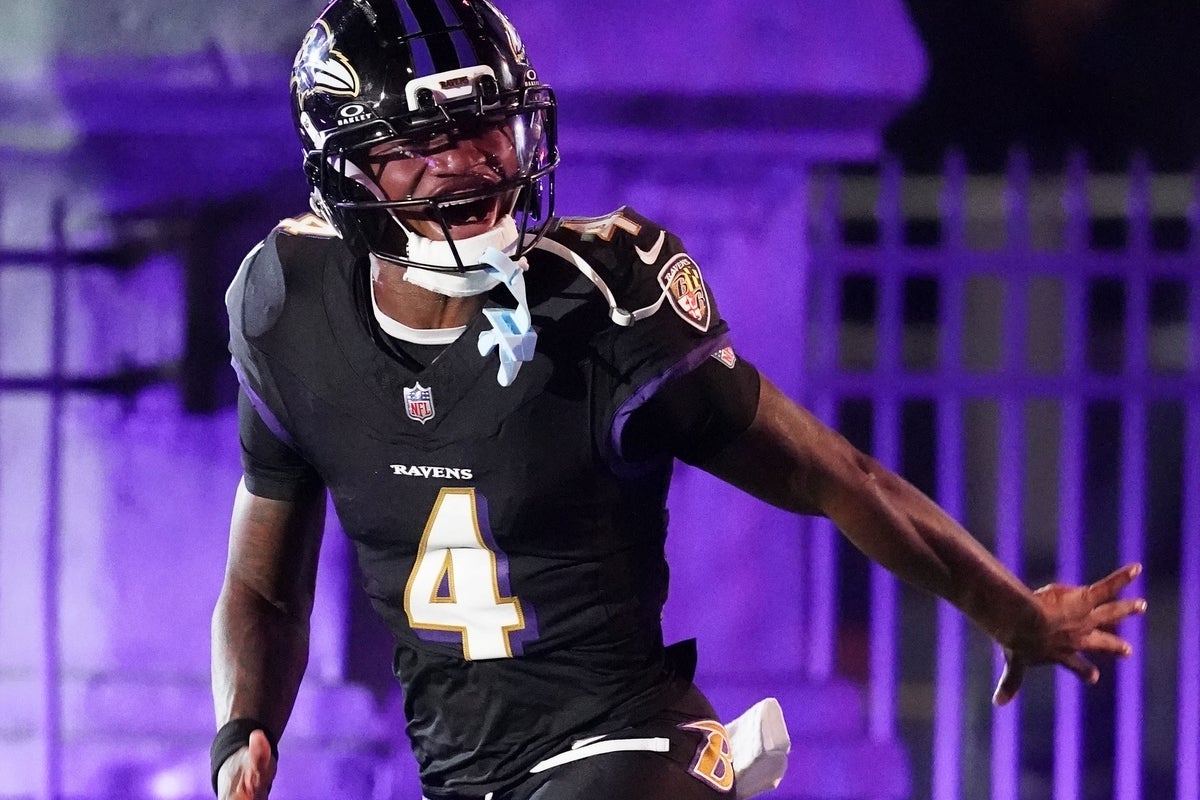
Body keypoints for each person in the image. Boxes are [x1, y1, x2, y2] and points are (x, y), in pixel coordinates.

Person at [210, 1, 1147, 798]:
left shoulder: (606, 300)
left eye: (485, 125)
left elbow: (835, 474)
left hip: (632, 750)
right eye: (420, 145)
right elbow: (261, 585)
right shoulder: (288, 306)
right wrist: (242, 728)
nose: (471, 164)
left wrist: (1009, 610)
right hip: (467, 769)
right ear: (342, 170)